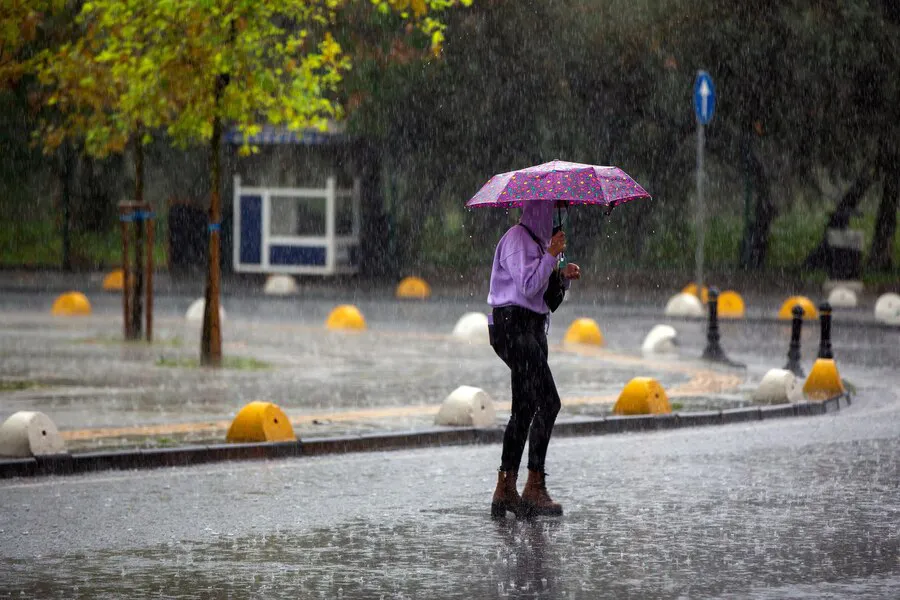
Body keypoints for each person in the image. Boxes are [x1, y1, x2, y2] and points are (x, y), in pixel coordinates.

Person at [488, 200, 581, 518]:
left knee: (525, 407)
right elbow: (527, 287)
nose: (559, 218)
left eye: (563, 211)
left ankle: (505, 489)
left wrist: (562, 278)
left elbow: (547, 299)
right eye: (555, 210)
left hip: (533, 330)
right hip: (512, 327)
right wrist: (552, 257)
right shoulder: (516, 239)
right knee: (549, 402)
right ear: (540, 210)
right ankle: (533, 486)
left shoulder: (544, 246)